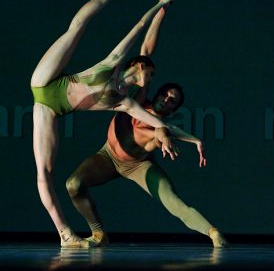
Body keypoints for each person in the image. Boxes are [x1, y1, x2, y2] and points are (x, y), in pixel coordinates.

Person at [31, 0, 176, 248]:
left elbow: (156, 121)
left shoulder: (122, 102)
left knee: (44, 173)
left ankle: (65, 235)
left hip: (48, 108)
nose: (152, 76)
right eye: (151, 71)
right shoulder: (113, 63)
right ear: (138, 65)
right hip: (46, 81)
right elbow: (138, 27)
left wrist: (173, 135)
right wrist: (159, 6)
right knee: (76, 28)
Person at [66, 83, 227, 248]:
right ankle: (98, 234)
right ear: (157, 94)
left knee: (172, 200)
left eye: (172, 101)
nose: (166, 100)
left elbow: (163, 130)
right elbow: (141, 77)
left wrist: (166, 140)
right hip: (107, 156)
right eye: (165, 94)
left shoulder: (158, 126)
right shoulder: (139, 101)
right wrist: (194, 139)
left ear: (173, 110)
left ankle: (212, 232)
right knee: (74, 184)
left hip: (138, 166)